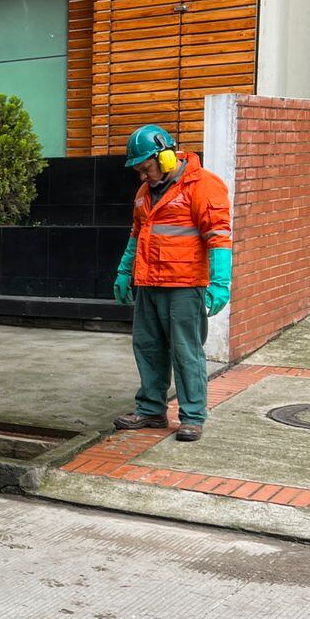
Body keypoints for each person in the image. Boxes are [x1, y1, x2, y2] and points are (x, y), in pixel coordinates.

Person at [111, 124, 232, 443]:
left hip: (184, 286)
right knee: (148, 348)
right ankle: (151, 410)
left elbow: (219, 236)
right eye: (137, 171)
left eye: (145, 168)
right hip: (149, 285)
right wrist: (125, 271)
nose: (142, 176)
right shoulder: (143, 194)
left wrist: (220, 282)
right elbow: (136, 237)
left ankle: (193, 416)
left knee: (186, 352)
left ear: (164, 157)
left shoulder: (203, 186)